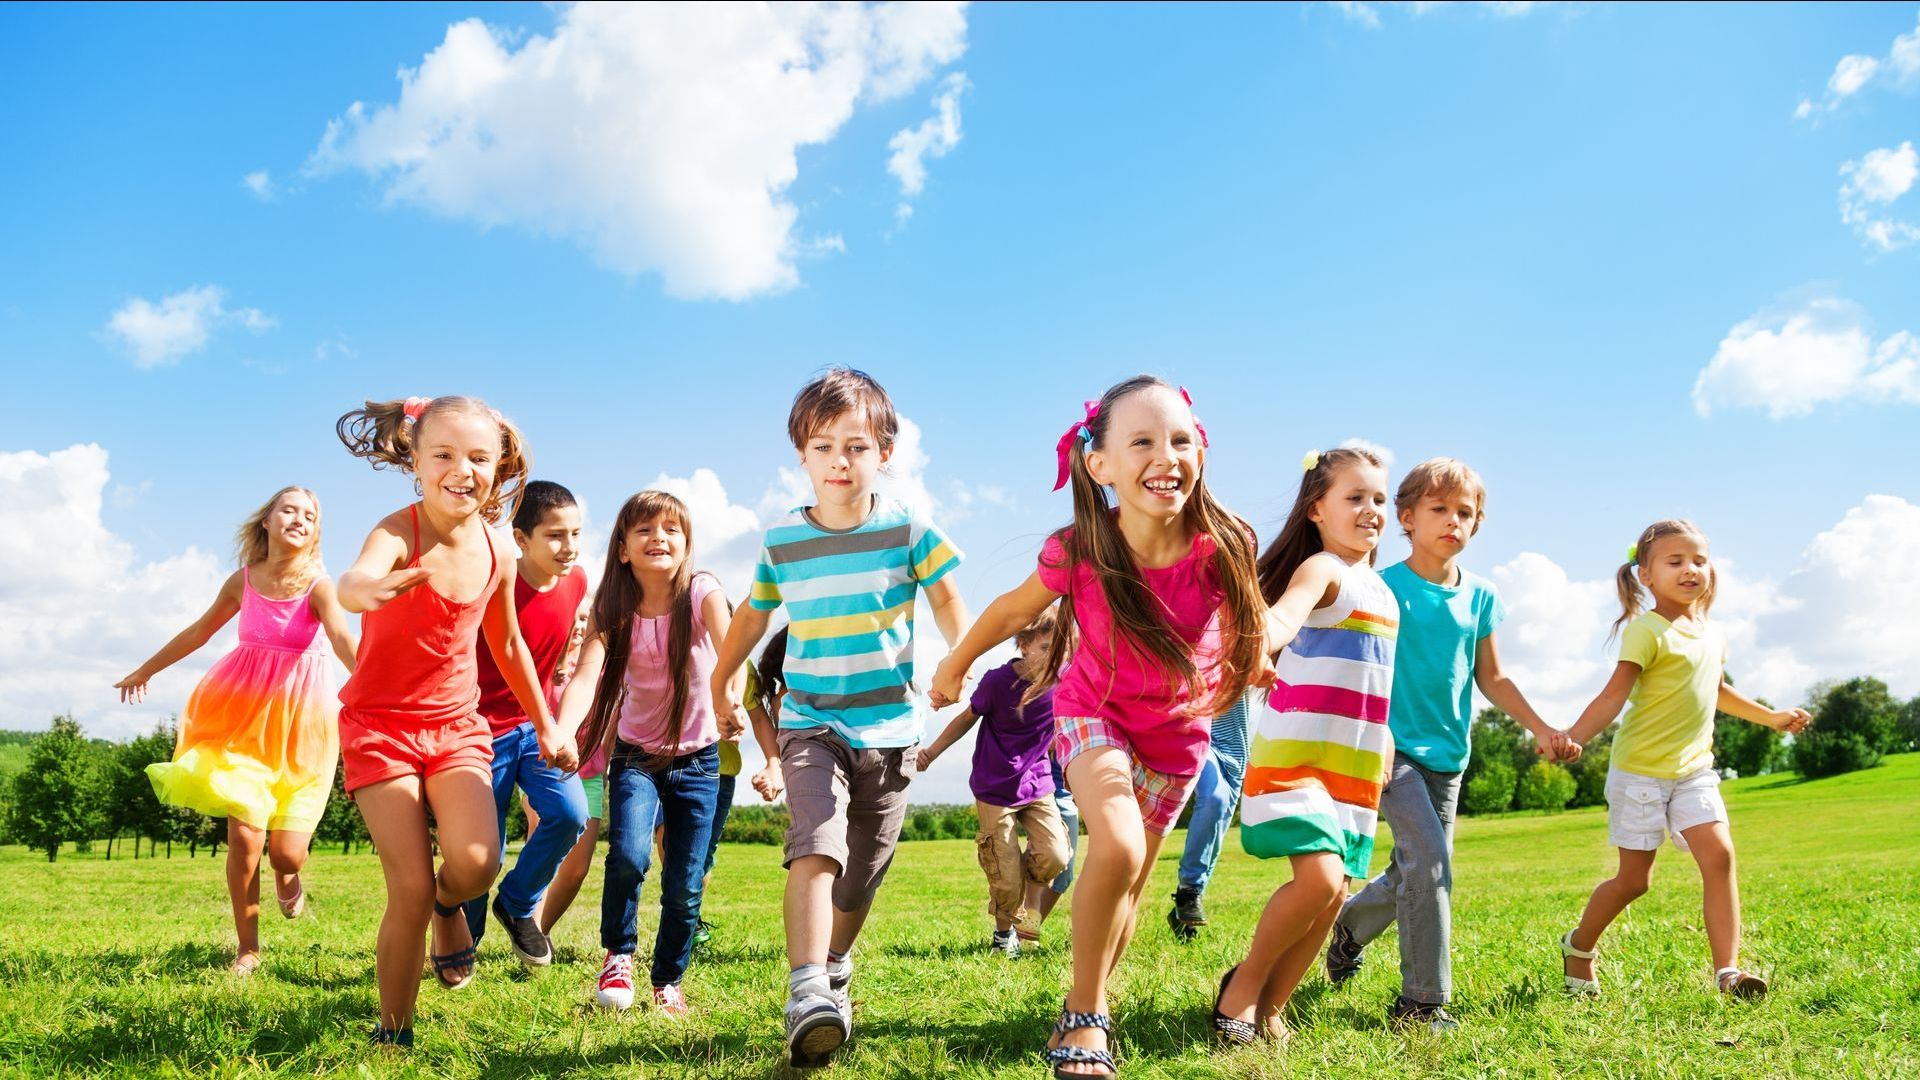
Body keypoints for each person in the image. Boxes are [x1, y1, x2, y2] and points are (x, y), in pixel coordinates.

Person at [934, 376, 1265, 1079]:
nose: (1165, 454)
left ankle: (1091, 1001)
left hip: (1177, 738)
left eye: (1180, 439)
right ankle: (1085, 1016)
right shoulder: (1082, 547)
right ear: (1100, 464)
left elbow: (1250, 617)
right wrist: (956, 662)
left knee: (1130, 885)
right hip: (1095, 715)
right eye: (1141, 440)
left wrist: (1256, 658)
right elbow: (1006, 613)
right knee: (1111, 845)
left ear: (1200, 451)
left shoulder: (1224, 542)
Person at [711, 368, 969, 1068]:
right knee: (816, 843)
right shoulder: (783, 542)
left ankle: (834, 965)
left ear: (884, 452)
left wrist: (957, 659)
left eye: (856, 446)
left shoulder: (909, 530)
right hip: (809, 721)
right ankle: (806, 992)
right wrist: (721, 676)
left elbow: (947, 600)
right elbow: (751, 615)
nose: (839, 461)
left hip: (889, 728)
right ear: (802, 455)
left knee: (862, 874)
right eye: (823, 447)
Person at [334, 395, 577, 1047]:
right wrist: (362, 589)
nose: (460, 469)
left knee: (476, 863)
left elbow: (508, 645)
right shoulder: (397, 532)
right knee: (408, 886)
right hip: (381, 729)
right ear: (414, 459)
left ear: (499, 468)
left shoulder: (499, 550)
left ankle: (452, 906)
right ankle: (394, 1032)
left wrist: (547, 724)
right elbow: (355, 580)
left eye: (478, 457)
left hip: (456, 730)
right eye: (443, 454)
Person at [1326, 458, 1578, 1032]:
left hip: (1450, 758)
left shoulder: (1482, 597)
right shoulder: (1385, 587)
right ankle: (1421, 1003)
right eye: (1438, 510)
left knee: (1416, 867)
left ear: (1477, 525)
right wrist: (1378, 732)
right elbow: (1362, 668)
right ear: (1407, 518)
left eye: (1464, 512)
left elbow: (1493, 678)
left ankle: (1348, 928)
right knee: (1431, 865)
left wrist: (1539, 728)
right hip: (1392, 752)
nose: (1452, 521)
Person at [1558, 519, 1810, 999]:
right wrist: (1576, 736)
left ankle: (1728, 973)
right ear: (1646, 575)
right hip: (1640, 774)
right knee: (1635, 882)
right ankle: (1579, 946)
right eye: (1675, 561)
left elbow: (1717, 692)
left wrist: (1772, 718)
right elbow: (1613, 698)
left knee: (1719, 856)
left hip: (1694, 770)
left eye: (1699, 560)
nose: (1690, 569)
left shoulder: (1712, 635)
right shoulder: (1645, 632)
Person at [118, 486, 357, 975]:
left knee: (287, 852)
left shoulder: (320, 587)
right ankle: (247, 948)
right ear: (266, 522)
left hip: (304, 730)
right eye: (288, 509)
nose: (299, 518)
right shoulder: (242, 581)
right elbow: (198, 632)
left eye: (309, 515)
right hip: (242, 722)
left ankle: (288, 877)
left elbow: (340, 637)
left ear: (316, 532)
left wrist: (377, 690)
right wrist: (146, 669)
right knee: (245, 836)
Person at [1213, 446, 1398, 1046]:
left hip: (1356, 764)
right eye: (1355, 497)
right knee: (1317, 880)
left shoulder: (1384, 592)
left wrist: (1386, 737)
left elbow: (1373, 679)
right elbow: (1283, 618)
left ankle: (1273, 1005)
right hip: (1299, 756)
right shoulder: (1325, 570)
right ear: (1317, 508)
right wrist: (1258, 647)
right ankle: (1241, 988)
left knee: (1335, 892)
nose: (1371, 510)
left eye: (1378, 499)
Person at [560, 491, 733, 1017]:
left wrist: (729, 700)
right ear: (622, 549)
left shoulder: (703, 592)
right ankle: (618, 954)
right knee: (630, 856)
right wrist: (565, 730)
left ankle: (668, 980)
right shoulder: (614, 608)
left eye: (671, 529)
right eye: (644, 530)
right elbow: (588, 673)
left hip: (700, 762)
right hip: (636, 758)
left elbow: (733, 651)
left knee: (684, 883)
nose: (659, 537)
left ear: (686, 545)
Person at [461, 480, 591, 968]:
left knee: (569, 813)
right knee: (482, 851)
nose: (570, 547)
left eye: (576, 533)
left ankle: (516, 904)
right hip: (477, 731)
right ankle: (463, 940)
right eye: (556, 535)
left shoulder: (577, 582)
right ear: (521, 540)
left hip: (533, 726)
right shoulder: (496, 582)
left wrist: (553, 719)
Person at [917, 610, 1070, 959]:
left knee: (1055, 854)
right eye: (1046, 647)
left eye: (1060, 650)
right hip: (994, 786)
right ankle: (1004, 935)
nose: (1053, 657)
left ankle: (1028, 914)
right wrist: (932, 752)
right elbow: (966, 719)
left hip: (1038, 782)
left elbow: (1064, 729)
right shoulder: (997, 682)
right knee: (1005, 871)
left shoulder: (1062, 683)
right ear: (1025, 645)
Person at [1165, 689, 1258, 942]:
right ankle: (1189, 889)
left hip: (1237, 749)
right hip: (1199, 735)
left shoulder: (1248, 649)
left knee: (1218, 823)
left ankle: (1186, 905)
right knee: (1215, 799)